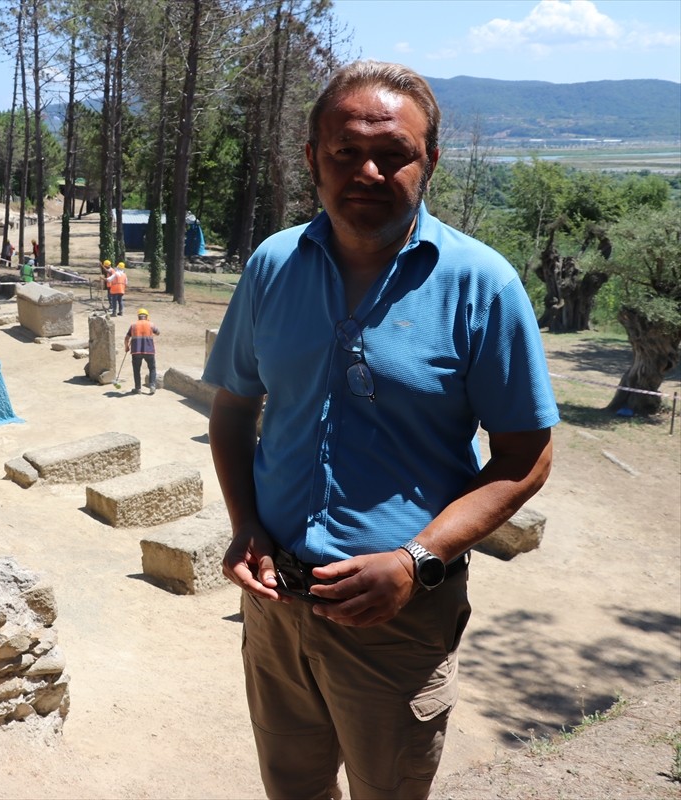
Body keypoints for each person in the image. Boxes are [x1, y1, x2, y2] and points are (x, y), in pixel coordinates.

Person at [202, 60, 558, 800]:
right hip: (274, 607)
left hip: (397, 620)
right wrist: (245, 527)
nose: (366, 169)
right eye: (343, 151)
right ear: (312, 159)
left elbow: (525, 457)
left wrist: (414, 561)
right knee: (291, 786)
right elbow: (235, 407)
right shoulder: (272, 265)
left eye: (393, 153)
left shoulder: (481, 284)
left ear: (429, 160)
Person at [124, 308, 160, 395]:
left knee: (136, 370)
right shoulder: (151, 324)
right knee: (152, 368)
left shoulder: (133, 325)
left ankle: (138, 388)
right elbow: (158, 332)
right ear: (147, 316)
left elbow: (126, 338)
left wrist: (126, 347)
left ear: (138, 316)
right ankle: (152, 386)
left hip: (136, 351)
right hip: (149, 351)